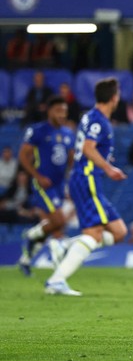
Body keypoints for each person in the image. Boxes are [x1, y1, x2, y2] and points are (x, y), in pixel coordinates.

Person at [44, 78, 128, 296]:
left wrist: (105, 162)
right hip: (87, 178)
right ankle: (56, 280)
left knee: (119, 231)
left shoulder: (89, 117)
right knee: (93, 234)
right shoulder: (99, 120)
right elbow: (88, 148)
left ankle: (64, 246)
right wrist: (108, 168)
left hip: (88, 179)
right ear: (113, 98)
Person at [17, 96, 75, 277]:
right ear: (49, 111)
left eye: (64, 111)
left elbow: (71, 159)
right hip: (43, 184)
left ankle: (27, 257)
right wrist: (37, 176)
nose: (62, 115)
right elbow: (23, 156)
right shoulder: (38, 131)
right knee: (59, 221)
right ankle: (32, 237)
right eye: (58, 110)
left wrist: (69, 180)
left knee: (57, 228)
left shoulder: (68, 133)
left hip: (59, 185)